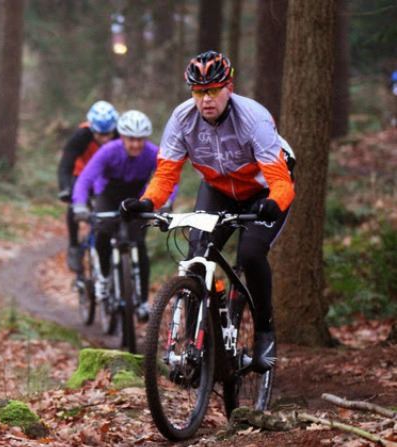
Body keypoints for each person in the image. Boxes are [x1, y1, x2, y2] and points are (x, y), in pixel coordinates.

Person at [121, 50, 294, 373]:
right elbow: (166, 174)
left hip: (263, 190)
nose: (206, 99)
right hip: (218, 189)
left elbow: (281, 182)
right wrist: (147, 203)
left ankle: (265, 330)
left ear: (229, 88)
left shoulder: (253, 118)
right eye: (199, 92)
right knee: (198, 256)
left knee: (252, 254)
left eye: (213, 90)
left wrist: (273, 203)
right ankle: (195, 348)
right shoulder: (181, 119)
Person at [72, 110, 161, 321]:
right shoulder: (109, 151)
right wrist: (79, 205)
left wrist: (164, 203)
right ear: (122, 137)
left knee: (138, 243)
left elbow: (166, 179)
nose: (136, 145)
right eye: (131, 139)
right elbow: (85, 179)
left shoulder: (153, 153)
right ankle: (103, 277)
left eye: (140, 139)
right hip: (108, 195)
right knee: (102, 232)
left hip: (136, 198)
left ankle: (142, 301)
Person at [57, 100, 119, 274]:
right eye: (100, 134)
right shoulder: (81, 135)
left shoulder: (120, 134)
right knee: (74, 205)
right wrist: (65, 188)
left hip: (108, 176)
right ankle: (74, 246)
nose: (105, 139)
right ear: (92, 128)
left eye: (108, 134)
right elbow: (65, 164)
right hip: (82, 174)